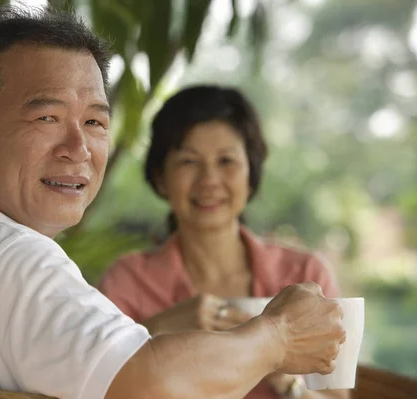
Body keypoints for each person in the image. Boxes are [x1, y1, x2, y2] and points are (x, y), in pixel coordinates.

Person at [0, 7, 346, 399]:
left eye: (96, 123)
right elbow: (151, 384)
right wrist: (277, 337)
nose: (78, 148)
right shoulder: (8, 257)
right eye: (46, 116)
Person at [97, 86, 349, 399]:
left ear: (251, 173)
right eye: (189, 161)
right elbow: (97, 387)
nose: (209, 180)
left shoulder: (306, 275)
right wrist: (158, 330)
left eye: (226, 161)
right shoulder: (127, 281)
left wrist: (278, 365)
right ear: (161, 177)